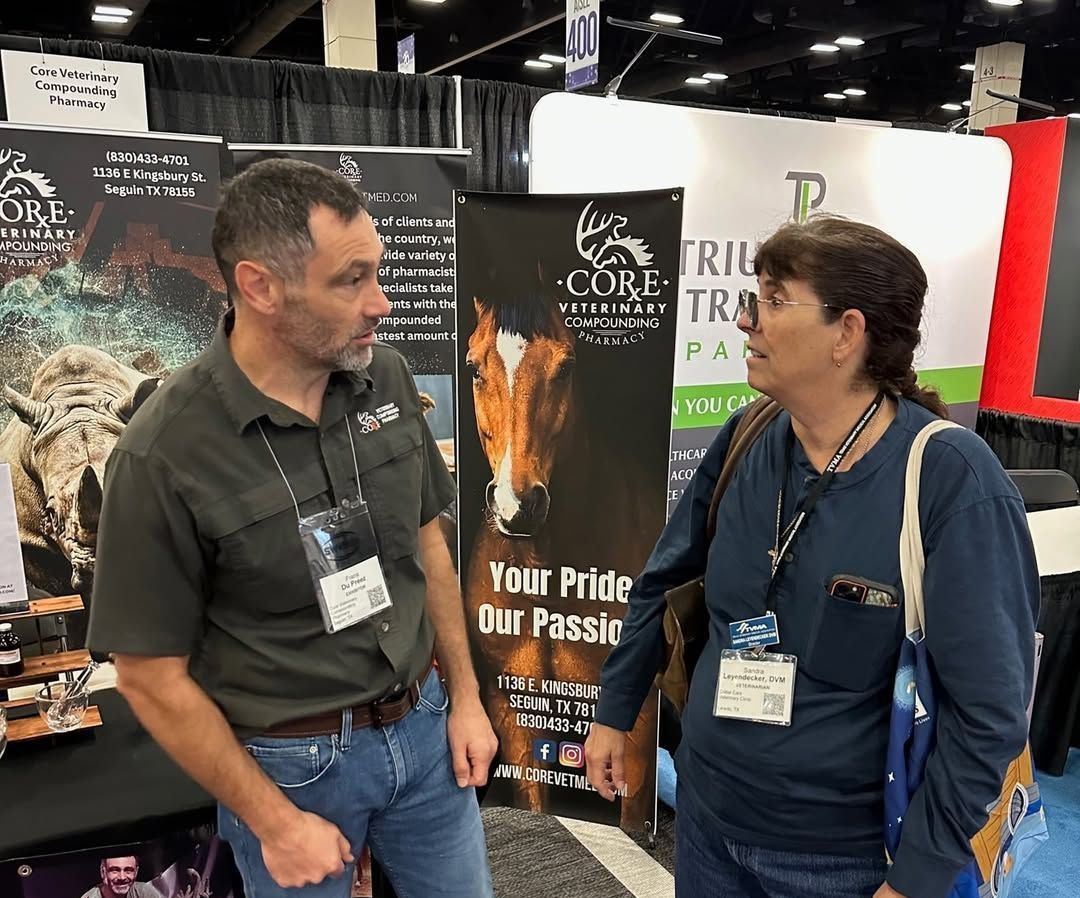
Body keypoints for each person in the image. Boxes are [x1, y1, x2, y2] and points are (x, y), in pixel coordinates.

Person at [585, 215, 1039, 898]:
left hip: (844, 864)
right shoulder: (749, 435)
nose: (746, 321)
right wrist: (614, 711)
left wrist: (916, 877)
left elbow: (991, 713)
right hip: (708, 825)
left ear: (846, 334)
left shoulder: (948, 480)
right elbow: (665, 580)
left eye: (772, 300)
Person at [87, 159, 497, 898]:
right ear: (260, 287)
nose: (383, 303)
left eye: (379, 272)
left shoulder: (390, 378)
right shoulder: (163, 453)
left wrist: (466, 699)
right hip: (290, 767)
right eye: (353, 280)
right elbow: (149, 678)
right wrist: (273, 822)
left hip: (426, 730)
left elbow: (427, 543)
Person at [80, 856, 158, 898]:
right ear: (103, 872)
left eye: (128, 870)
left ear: (136, 872)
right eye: (115, 870)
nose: (122, 877)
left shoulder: (144, 892)